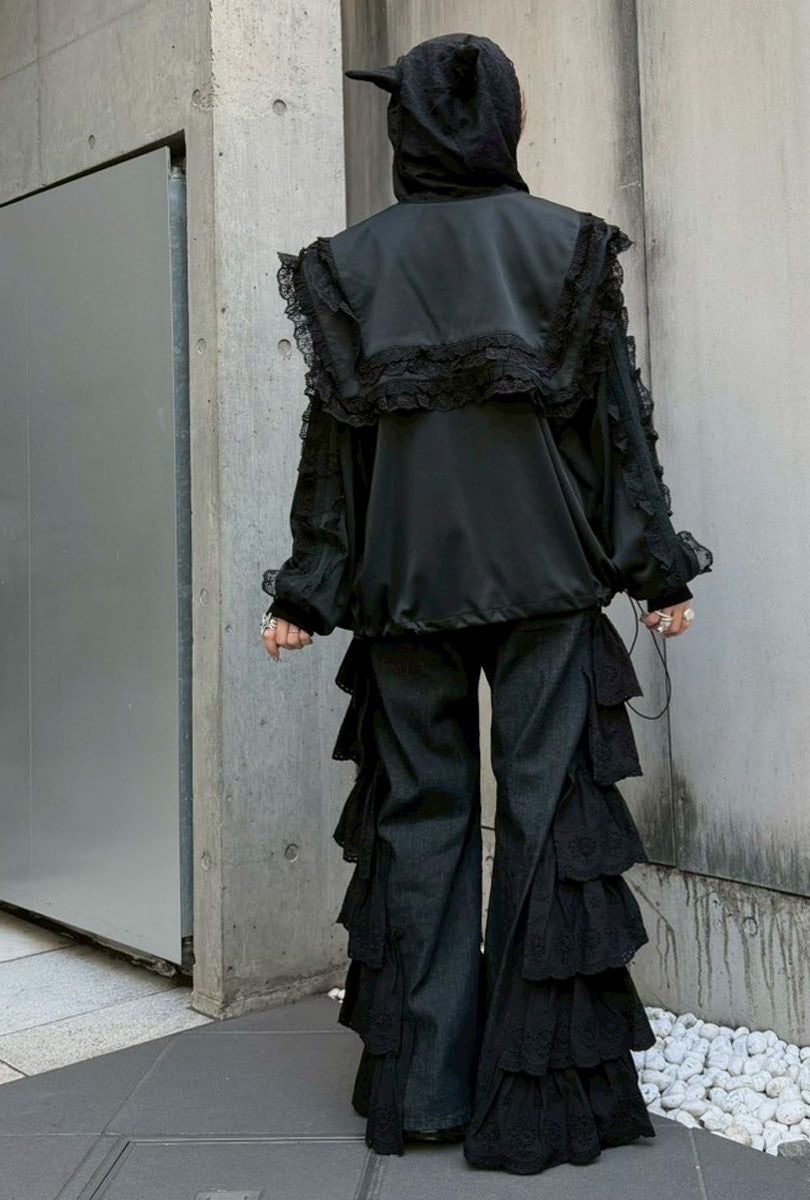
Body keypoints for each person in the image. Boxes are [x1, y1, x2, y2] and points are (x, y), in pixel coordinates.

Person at [258, 32, 713, 1176]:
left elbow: (334, 456)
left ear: (411, 129)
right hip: (545, 580)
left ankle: (426, 1094)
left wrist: (309, 589)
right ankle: (538, 1101)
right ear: (502, 124)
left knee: (420, 821)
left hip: (403, 589)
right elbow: (615, 427)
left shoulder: (350, 266)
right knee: (548, 815)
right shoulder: (566, 249)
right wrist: (653, 567)